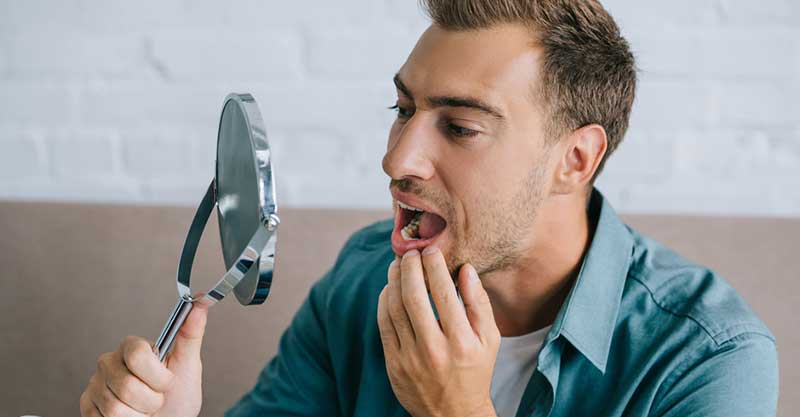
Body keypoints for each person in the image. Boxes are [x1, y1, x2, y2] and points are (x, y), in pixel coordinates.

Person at [80, 1, 779, 416]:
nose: (397, 160)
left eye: (460, 126)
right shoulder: (360, 281)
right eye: (404, 109)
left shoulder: (708, 360)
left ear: (576, 159)